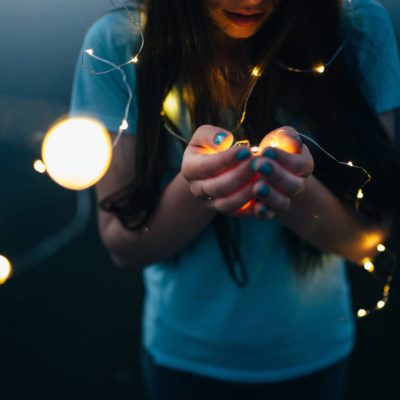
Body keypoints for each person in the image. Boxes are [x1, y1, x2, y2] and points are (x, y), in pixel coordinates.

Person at [70, 0, 400, 398]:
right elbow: (124, 245)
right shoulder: (119, 44)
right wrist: (199, 188)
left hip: (313, 358)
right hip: (184, 363)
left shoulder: (355, 25)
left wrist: (292, 187)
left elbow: (367, 239)